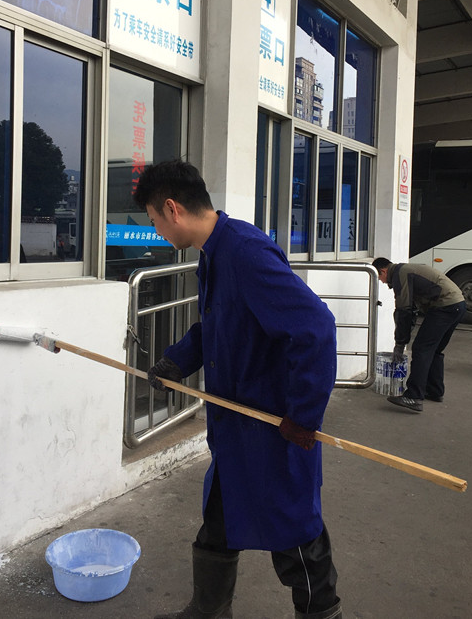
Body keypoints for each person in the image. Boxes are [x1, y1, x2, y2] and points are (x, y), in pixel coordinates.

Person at [133, 160, 341, 619]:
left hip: (273, 427)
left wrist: (303, 416)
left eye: (154, 220)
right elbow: (218, 324)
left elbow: (315, 328)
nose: (157, 231)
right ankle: (208, 611)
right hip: (235, 428)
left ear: (173, 209)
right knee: (219, 520)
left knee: (295, 539)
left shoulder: (245, 252)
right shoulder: (212, 252)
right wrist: (178, 359)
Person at [372, 257, 466, 412]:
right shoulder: (406, 270)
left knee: (421, 349)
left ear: (383, 271)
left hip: (444, 306)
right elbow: (412, 310)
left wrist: (400, 343)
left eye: (379, 278)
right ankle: (434, 391)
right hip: (457, 305)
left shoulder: (400, 275)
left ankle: (414, 396)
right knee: (435, 350)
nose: (382, 282)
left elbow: (404, 311)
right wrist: (404, 337)